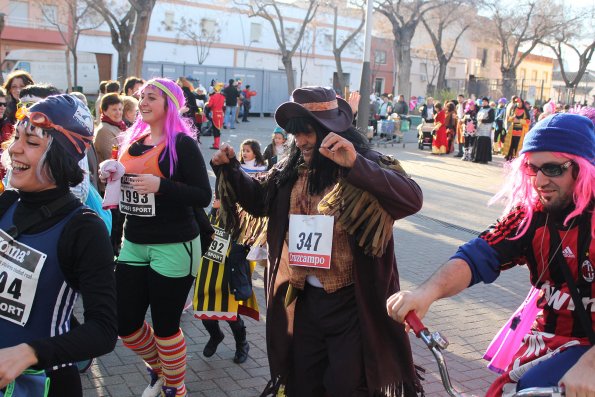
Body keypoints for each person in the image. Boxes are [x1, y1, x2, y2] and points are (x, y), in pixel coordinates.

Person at [211, 86, 423, 397]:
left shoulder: (363, 160)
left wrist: (355, 165)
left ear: (329, 128)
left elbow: (411, 198)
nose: (300, 141)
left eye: (307, 132)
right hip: (302, 301)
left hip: (352, 304)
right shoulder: (289, 168)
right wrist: (230, 170)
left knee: (346, 386)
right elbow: (259, 200)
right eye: (295, 134)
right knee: (302, 383)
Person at [387, 112, 595, 396]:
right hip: (547, 345)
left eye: (553, 169)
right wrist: (426, 293)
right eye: (533, 169)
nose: (540, 181)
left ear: (583, 169)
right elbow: (478, 255)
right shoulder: (530, 216)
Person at [0, 94, 117, 396]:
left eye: (32, 142)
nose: (14, 148)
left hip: (44, 384)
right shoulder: (8, 203)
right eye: (16, 137)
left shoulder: (83, 228)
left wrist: (28, 352)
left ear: (61, 157)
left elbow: (103, 331)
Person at [108, 78, 211, 397]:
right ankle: (163, 369)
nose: (143, 102)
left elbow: (203, 195)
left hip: (174, 244)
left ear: (169, 104)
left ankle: (174, 388)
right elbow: (124, 188)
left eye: (152, 97)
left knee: (166, 327)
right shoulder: (131, 140)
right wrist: (112, 171)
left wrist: (161, 185)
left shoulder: (182, 143)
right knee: (126, 325)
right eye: (141, 97)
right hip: (133, 242)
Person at [94, 93, 125, 175]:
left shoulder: (119, 126)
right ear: (104, 111)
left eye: (120, 109)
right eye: (114, 110)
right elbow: (112, 158)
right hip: (109, 180)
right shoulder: (104, 130)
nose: (119, 112)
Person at [503, 97, 530, 161]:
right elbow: (509, 119)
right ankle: (510, 158)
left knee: (518, 145)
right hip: (513, 130)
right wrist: (512, 118)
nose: (518, 104)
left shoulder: (526, 111)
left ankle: (517, 158)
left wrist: (519, 120)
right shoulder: (514, 109)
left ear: (522, 103)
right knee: (511, 144)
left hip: (521, 132)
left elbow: (528, 121)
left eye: (519, 102)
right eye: (517, 102)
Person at [471, 97, 494, 164]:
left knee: (484, 144)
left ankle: (484, 159)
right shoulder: (481, 109)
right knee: (478, 143)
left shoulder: (490, 110)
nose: (484, 102)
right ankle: (476, 158)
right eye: (483, 101)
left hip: (486, 130)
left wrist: (483, 120)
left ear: (487, 102)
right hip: (479, 128)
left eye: (485, 101)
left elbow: (492, 119)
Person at [206, 82, 225, 149]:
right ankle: (216, 143)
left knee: (215, 130)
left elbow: (210, 105)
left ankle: (216, 145)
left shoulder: (212, 97)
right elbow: (223, 105)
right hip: (221, 113)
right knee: (218, 130)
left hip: (215, 114)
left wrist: (206, 104)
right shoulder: (223, 96)